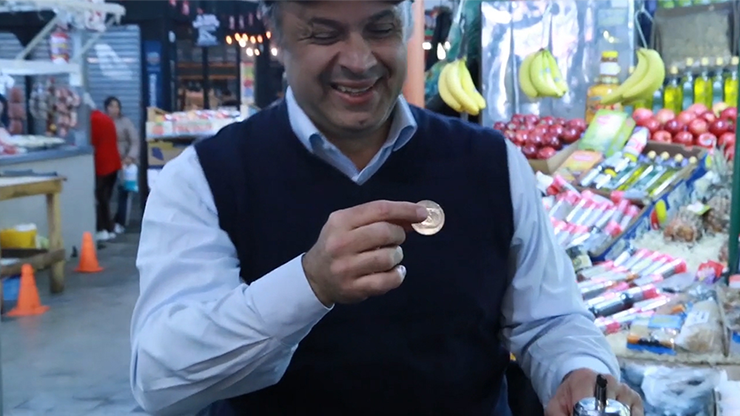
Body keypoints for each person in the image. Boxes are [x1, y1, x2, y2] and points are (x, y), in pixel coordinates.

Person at [130, 0, 644, 415]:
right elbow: (160, 379)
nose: (359, 61)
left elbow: (549, 318)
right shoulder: (204, 178)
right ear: (277, 37)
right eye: (324, 33)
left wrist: (579, 371)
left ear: (407, 27)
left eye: (381, 28)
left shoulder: (492, 163)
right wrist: (308, 284)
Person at [104, 96, 139, 234]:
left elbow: (135, 141)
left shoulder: (125, 122)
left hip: (124, 161)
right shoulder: (104, 121)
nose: (114, 109)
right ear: (106, 108)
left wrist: (130, 157)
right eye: (111, 106)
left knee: (124, 191)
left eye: (117, 106)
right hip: (107, 161)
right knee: (105, 193)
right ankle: (107, 222)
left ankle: (121, 221)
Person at [90, 109, 121, 241]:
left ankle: (104, 228)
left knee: (100, 198)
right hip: (114, 161)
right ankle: (110, 228)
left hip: (102, 164)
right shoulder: (106, 118)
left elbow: (92, 142)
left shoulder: (92, 121)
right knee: (106, 198)